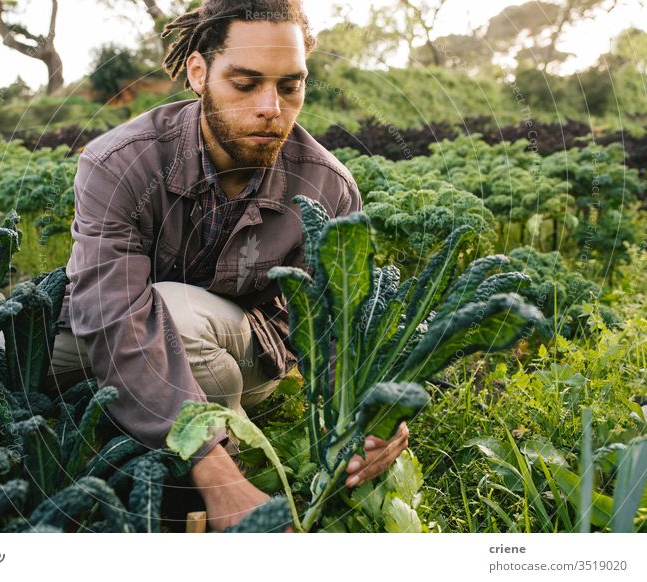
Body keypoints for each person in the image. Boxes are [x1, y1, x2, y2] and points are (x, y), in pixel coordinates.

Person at [50, 0, 409, 532]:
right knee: (16, 348)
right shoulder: (120, 163)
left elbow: (338, 334)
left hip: (248, 347)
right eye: (245, 84)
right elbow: (111, 316)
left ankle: (215, 472)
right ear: (199, 73)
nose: (272, 107)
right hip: (129, 324)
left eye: (291, 86)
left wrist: (375, 417)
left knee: (174, 314)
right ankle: (166, 443)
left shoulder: (328, 186)